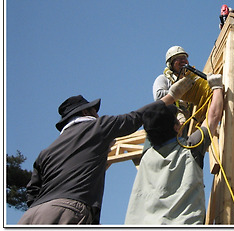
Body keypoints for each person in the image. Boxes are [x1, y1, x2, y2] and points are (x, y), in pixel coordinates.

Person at [17, 77, 194, 225]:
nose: (98, 115)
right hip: (66, 211)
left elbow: (32, 191)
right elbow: (135, 118)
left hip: (29, 217)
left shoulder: (46, 151)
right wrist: (171, 96)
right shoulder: (97, 127)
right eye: (95, 111)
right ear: (86, 111)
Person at [124, 73, 224, 225]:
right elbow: (213, 118)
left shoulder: (146, 155)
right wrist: (217, 88)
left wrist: (171, 96)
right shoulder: (190, 149)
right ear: (177, 128)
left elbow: (149, 120)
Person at [142, 46, 212, 154]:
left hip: (184, 127)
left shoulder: (190, 81)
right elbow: (158, 95)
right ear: (171, 63)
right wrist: (178, 92)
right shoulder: (164, 79)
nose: (183, 60)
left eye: (185, 58)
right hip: (168, 123)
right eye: (179, 58)